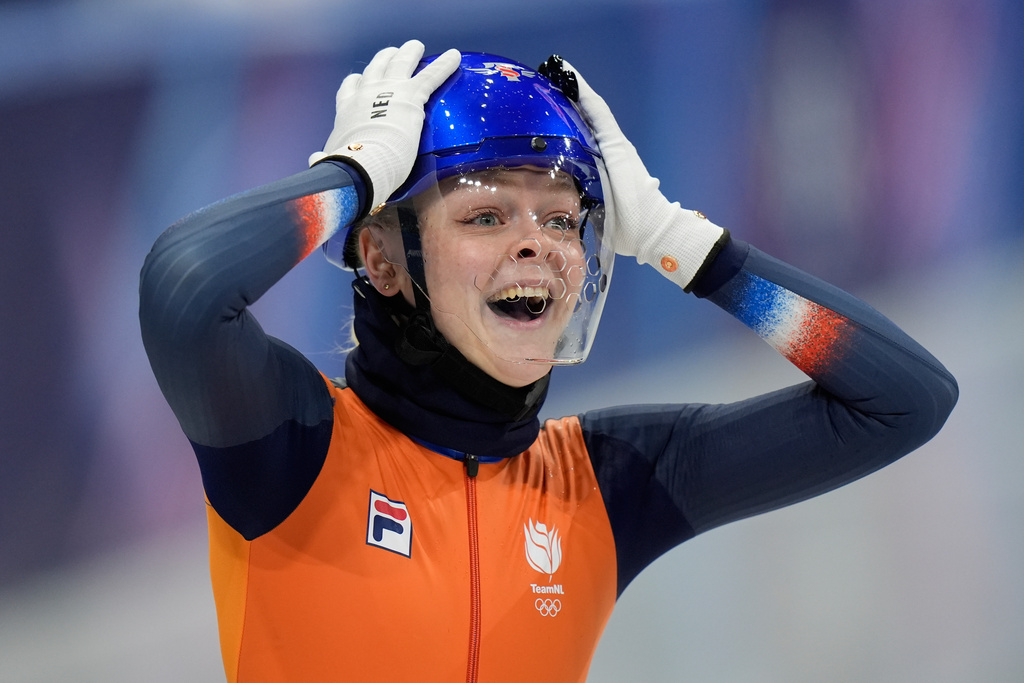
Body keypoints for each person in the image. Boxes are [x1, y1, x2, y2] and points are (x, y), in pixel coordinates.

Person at [139, 40, 958, 683]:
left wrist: (687, 245)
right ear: (385, 263)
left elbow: (904, 399)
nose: (538, 243)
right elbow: (183, 290)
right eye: (487, 215)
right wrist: (351, 180)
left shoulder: (607, 483)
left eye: (563, 221)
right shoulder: (291, 444)